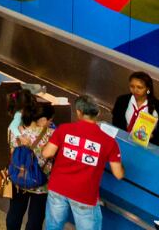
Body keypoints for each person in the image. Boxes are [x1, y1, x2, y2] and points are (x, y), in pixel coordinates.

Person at [41, 95, 124, 228]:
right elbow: (118, 174)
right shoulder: (109, 141)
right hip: (84, 194)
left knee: (53, 226)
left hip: (58, 187)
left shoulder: (63, 129)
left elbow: (47, 153)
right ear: (98, 113)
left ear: (78, 112)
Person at [5, 86, 54, 230]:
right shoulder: (50, 134)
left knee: (15, 213)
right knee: (35, 218)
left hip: (19, 177)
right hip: (41, 182)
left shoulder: (14, 130)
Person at [112, 71, 156, 135]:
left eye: (139, 87)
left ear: (148, 89)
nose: (135, 90)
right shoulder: (121, 101)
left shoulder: (158, 108)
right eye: (132, 86)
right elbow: (115, 122)